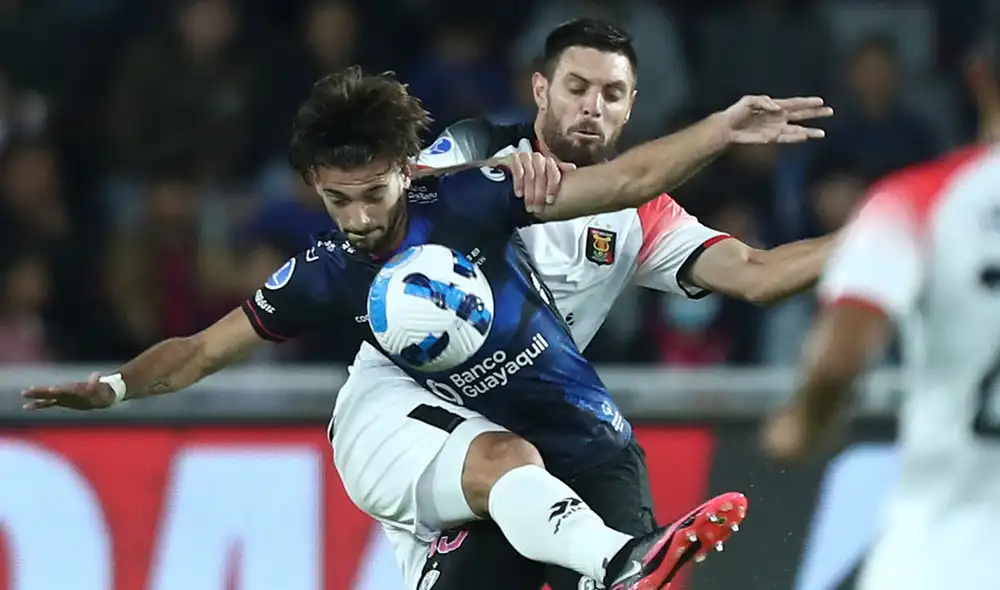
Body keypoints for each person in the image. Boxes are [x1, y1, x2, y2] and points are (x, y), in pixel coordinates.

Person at [23, 64, 829, 589]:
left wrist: (721, 129)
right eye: (339, 200)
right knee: (512, 463)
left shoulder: (474, 196)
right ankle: (620, 560)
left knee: (535, 475)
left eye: (373, 193)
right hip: (389, 428)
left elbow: (629, 178)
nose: (361, 216)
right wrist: (119, 385)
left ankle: (601, 560)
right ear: (315, 188)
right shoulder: (328, 270)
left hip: (535, 430)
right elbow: (202, 349)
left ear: (407, 169)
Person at [337, 18, 838, 590]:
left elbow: (758, 274)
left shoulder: (642, 215)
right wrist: (480, 178)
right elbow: (396, 203)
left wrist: (879, 234)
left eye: (611, 94)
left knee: (619, 496)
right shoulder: (480, 150)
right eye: (577, 88)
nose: (592, 106)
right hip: (434, 416)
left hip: (550, 422)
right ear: (541, 90)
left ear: (630, 108)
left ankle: (629, 567)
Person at [761, 22, 1000, 590]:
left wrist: (804, 422)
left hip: (941, 553)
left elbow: (842, 353)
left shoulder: (918, 199)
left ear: (978, 77)